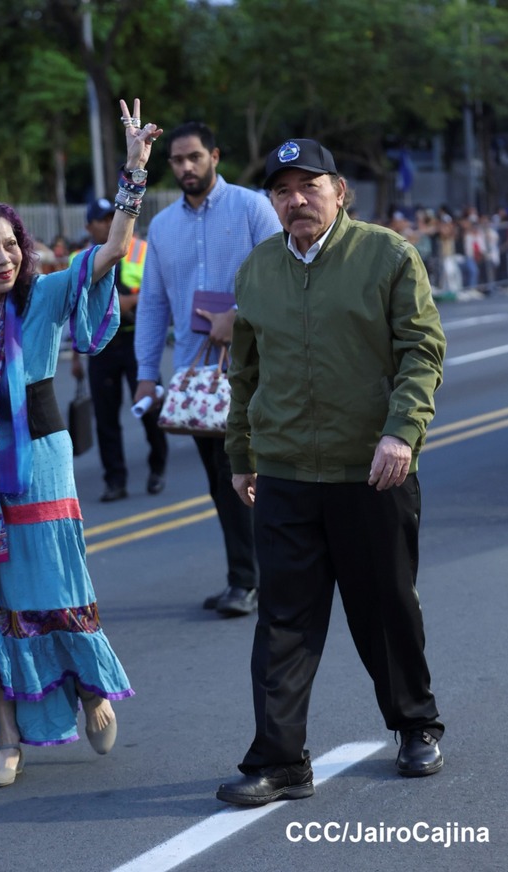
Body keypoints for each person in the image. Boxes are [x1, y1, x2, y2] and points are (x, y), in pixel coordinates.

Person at [0, 98, 157, 788]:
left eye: (11, 245)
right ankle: (8, 742)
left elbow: (112, 252)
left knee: (51, 592)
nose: (4, 258)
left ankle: (88, 687)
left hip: (38, 471)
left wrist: (133, 173)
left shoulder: (41, 296)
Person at [216, 138, 446, 807]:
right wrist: (241, 455)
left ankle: (415, 725)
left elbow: (422, 350)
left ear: (338, 191)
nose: (296, 201)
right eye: (282, 191)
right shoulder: (257, 269)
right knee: (282, 622)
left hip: (371, 470)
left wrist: (401, 432)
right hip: (285, 471)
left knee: (385, 609)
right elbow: (245, 372)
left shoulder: (386, 255)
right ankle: (281, 761)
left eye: (308, 186)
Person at [133, 121, 281, 618]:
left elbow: (286, 272)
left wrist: (238, 315)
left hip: (258, 369)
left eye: (194, 156)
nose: (186, 167)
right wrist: (147, 374)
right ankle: (246, 577)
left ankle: (253, 579)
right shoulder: (162, 227)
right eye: (177, 160)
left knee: (250, 474)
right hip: (197, 380)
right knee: (223, 483)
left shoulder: (252, 208)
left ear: (214, 156)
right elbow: (153, 304)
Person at [71, 197, 167, 501]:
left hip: (137, 340)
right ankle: (115, 480)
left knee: (150, 408)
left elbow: (160, 292)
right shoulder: (79, 258)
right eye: (101, 220)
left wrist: (130, 302)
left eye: (111, 217)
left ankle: (158, 468)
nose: (109, 224)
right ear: (89, 226)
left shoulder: (141, 249)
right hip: (100, 346)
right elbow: (74, 309)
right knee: (106, 418)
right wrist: (76, 357)